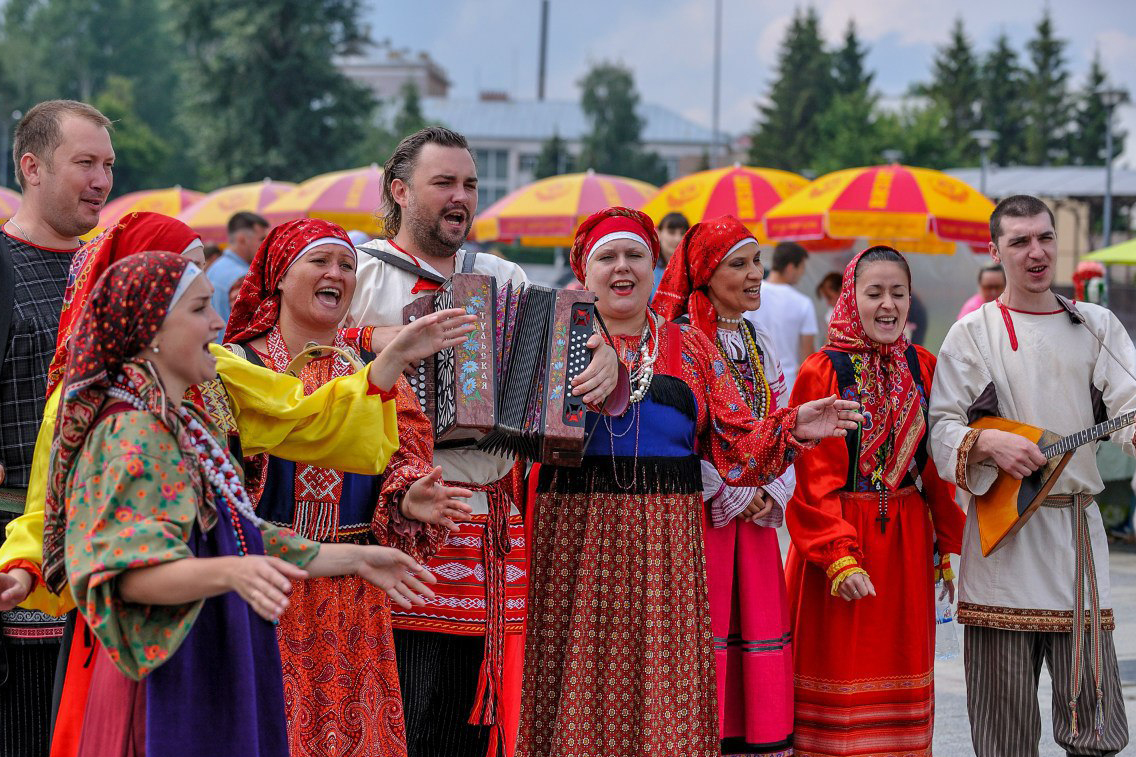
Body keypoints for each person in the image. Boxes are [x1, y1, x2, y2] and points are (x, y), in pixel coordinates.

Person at [0, 211, 451, 757]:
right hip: (159, 651)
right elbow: (119, 566)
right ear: (150, 325)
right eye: (197, 305)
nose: (219, 323)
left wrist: (350, 559)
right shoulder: (126, 428)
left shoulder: (191, 416)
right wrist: (237, 569)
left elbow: (238, 519)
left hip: (211, 631)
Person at [519, 207, 862, 757]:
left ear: (657, 266)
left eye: (636, 255)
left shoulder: (690, 347)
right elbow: (512, 439)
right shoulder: (553, 339)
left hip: (668, 545)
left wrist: (793, 426)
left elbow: (737, 450)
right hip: (575, 541)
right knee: (578, 672)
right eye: (607, 257)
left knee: (664, 681)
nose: (622, 267)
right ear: (583, 270)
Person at [349, 126, 622, 757]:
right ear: (400, 190)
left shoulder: (501, 274)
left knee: (476, 714)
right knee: (399, 704)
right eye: (443, 182)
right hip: (391, 516)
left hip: (490, 526)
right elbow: (304, 361)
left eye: (470, 185)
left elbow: (565, 350)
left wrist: (603, 358)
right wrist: (383, 339)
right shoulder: (358, 272)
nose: (461, 197)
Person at [224, 217, 477, 757]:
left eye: (346, 264)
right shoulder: (240, 367)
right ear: (279, 276)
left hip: (353, 588)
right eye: (319, 261)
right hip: (265, 579)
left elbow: (403, 458)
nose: (337, 273)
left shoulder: (368, 365)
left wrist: (410, 495)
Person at [929, 195, 1132, 756]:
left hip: (1076, 544)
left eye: (1044, 238)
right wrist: (986, 440)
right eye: (1019, 242)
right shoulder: (972, 333)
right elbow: (941, 427)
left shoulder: (1095, 325)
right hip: (1002, 549)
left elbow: (1128, 402)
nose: (1036, 252)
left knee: (1094, 727)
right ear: (996, 252)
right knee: (1003, 731)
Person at [786, 245, 965, 757]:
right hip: (840, 546)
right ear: (851, 297)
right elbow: (813, 478)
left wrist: (947, 543)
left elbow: (934, 468)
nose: (888, 305)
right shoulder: (822, 370)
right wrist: (837, 554)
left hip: (906, 541)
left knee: (902, 672)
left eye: (898, 293)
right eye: (874, 293)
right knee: (838, 671)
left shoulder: (924, 366)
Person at [652, 215, 796, 756]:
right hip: (702, 521)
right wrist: (729, 489)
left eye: (758, 261)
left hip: (755, 522)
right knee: (703, 636)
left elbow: (780, 415)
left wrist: (771, 489)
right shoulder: (682, 341)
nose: (756, 274)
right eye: (739, 264)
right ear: (706, 273)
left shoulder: (760, 339)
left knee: (754, 629)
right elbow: (676, 434)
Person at [0, 99, 113, 757]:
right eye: (85, 163)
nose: (101, 179)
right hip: (17, 561)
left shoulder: (112, 271)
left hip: (103, 562)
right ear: (33, 167)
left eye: (108, 165)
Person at [744, 241, 817, 390]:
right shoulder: (803, 303)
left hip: (754, 382)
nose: (802, 274)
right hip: (788, 385)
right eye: (801, 268)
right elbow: (808, 356)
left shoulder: (750, 295)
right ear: (791, 267)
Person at [207, 211, 269, 325]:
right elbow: (251, 327)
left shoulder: (214, 268)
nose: (267, 244)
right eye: (262, 239)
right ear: (242, 239)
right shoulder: (243, 278)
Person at [654, 211, 690, 290]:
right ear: (658, 233)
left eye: (682, 233)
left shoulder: (693, 268)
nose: (678, 239)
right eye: (671, 232)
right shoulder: (649, 267)